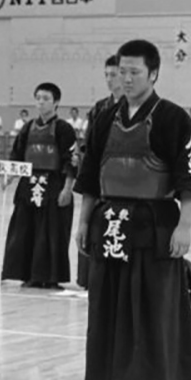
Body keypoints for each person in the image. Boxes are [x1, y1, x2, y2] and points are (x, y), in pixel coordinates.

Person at [75, 38, 191, 380]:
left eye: (134, 72)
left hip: (154, 224)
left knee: (151, 306)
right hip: (109, 222)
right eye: (121, 72)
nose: (125, 79)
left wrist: (185, 226)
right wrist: (83, 223)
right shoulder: (104, 117)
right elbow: (89, 176)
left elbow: (189, 176)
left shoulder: (172, 117)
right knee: (105, 304)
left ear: (154, 73)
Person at [2, 83, 77, 289]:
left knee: (52, 231)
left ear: (56, 102)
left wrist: (67, 188)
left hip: (53, 184)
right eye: (38, 98)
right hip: (29, 185)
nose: (41, 102)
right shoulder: (27, 127)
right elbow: (16, 154)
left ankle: (51, 277)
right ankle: (30, 275)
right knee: (27, 230)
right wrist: (9, 175)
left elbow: (71, 160)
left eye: (45, 98)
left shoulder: (64, 129)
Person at [76, 54, 123, 289]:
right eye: (106, 75)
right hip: (99, 178)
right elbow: (89, 145)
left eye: (113, 74)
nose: (109, 79)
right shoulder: (99, 108)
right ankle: (89, 280)